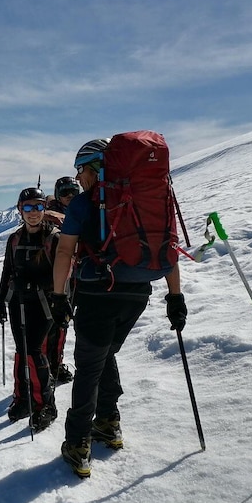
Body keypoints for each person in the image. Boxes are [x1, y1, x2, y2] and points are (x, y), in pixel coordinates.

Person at [51, 138, 188, 478]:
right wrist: (175, 297)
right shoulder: (150, 201)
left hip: (99, 295)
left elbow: (65, 252)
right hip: (137, 295)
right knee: (104, 355)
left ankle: (78, 442)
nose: (79, 178)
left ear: (96, 166)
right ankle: (108, 423)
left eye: (81, 169)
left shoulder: (84, 205)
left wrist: (57, 297)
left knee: (88, 366)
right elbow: (165, 247)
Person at [0, 187, 60, 432]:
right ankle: (23, 397)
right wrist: (1, 300)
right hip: (17, 302)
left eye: (39, 207)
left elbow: (61, 274)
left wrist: (34, 283)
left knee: (33, 350)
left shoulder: (53, 238)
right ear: (20, 210)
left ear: (45, 208)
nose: (34, 212)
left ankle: (46, 404)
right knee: (22, 349)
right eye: (29, 207)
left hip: (44, 304)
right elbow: (7, 271)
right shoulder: (15, 239)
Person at [43, 175, 82, 385]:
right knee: (53, 326)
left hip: (71, 278)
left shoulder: (77, 212)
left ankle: (52, 365)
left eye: (73, 191)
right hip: (56, 280)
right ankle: (49, 367)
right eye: (65, 192)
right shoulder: (52, 217)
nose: (69, 196)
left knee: (59, 326)